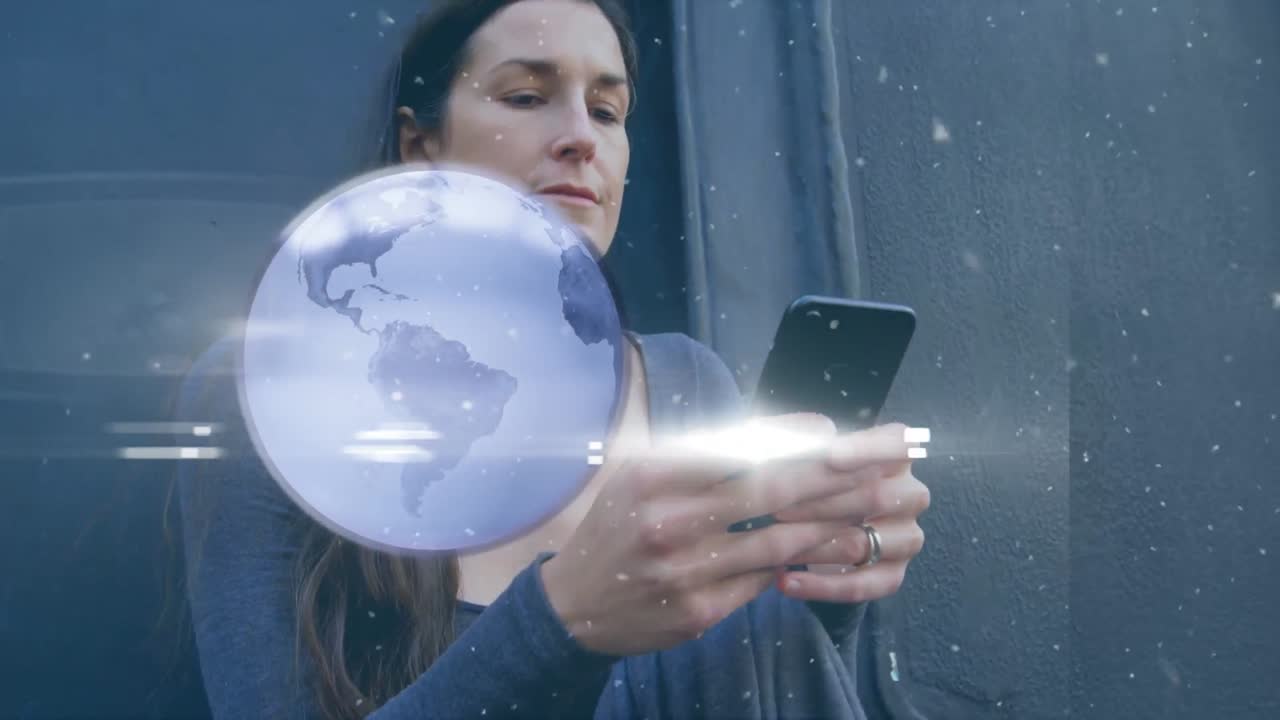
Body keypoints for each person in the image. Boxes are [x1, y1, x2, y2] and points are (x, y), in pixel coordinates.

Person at [173, 0, 931, 717]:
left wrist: (820, 582)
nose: (581, 137)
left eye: (607, 110)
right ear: (420, 145)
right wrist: (564, 621)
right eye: (526, 97)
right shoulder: (269, 393)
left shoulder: (685, 383)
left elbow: (744, 684)